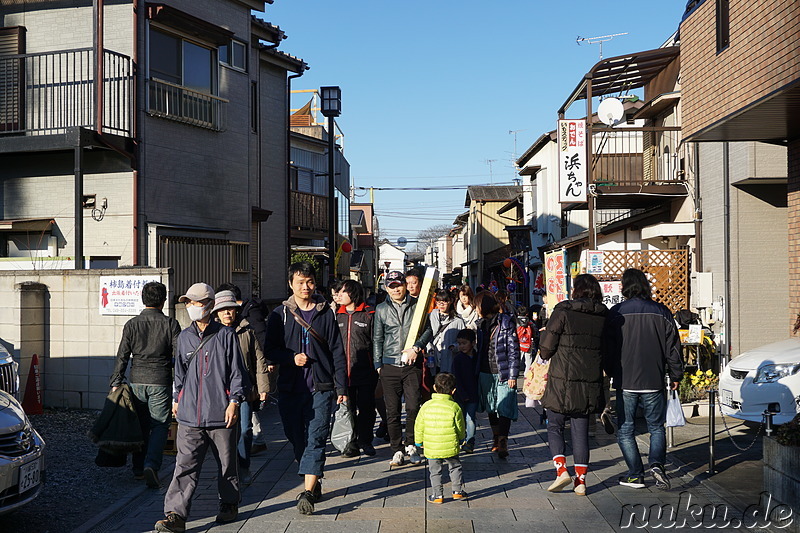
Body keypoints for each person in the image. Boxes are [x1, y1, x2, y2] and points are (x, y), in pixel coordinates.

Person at [155, 283, 248, 533]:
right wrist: (177, 399)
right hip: (189, 416)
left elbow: (238, 373)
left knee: (227, 464)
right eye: (188, 302)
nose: (191, 307)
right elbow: (180, 374)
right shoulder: (184, 336)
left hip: (221, 413)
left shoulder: (226, 335)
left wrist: (234, 402)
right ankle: (175, 514)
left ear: (209, 304)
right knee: (184, 466)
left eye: (196, 302)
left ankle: (229, 503)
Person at [265, 262, 348, 515]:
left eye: (309, 282)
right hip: (291, 387)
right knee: (296, 437)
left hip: (320, 387)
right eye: (300, 282)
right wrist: (291, 358)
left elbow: (337, 350)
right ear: (291, 284)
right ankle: (314, 479)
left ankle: (308, 492)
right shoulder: (280, 314)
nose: (305, 287)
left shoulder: (325, 312)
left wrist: (341, 385)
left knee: (316, 438)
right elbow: (270, 350)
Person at [604, 268, 684, 490]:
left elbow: (608, 349)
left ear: (624, 286)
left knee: (626, 429)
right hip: (654, 380)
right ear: (645, 285)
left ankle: (636, 474)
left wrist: (611, 371)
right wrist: (676, 374)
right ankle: (657, 465)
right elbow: (673, 349)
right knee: (656, 427)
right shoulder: (662, 312)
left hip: (625, 380)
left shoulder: (616, 313)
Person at [538, 274, 608, 496]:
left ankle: (561, 471)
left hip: (561, 380)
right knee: (580, 431)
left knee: (555, 426)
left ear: (576, 290)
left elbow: (546, 349)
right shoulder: (604, 316)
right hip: (588, 383)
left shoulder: (563, 311)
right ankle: (582, 481)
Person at [110, 281, 180, 489]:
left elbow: (122, 355)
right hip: (160, 380)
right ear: (163, 301)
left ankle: (139, 469)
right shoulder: (170, 324)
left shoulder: (132, 324)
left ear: (143, 299)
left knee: (140, 425)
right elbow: (179, 355)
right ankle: (152, 464)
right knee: (159, 425)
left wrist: (116, 381)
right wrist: (181, 382)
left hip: (137, 379)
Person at [373, 270, 431, 466]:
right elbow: (377, 337)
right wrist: (378, 364)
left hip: (411, 364)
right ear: (386, 289)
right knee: (392, 410)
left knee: (414, 406)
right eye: (392, 286)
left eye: (399, 284)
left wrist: (417, 347)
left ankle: (411, 445)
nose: (396, 288)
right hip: (389, 365)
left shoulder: (418, 306)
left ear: (405, 285)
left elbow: (428, 330)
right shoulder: (381, 309)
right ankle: (396, 449)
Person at [213, 290, 270, 485]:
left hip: (244, 389)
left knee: (245, 429)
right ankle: (228, 469)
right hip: (219, 392)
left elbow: (259, 360)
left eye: (230, 309)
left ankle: (243, 466)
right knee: (224, 432)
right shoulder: (212, 333)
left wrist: (263, 387)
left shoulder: (247, 330)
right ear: (216, 313)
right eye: (223, 310)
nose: (227, 313)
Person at [335, 279, 378, 457]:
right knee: (347, 408)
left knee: (367, 407)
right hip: (343, 373)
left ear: (352, 293)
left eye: (343, 292)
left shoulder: (368, 314)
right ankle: (350, 443)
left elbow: (376, 342)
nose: (339, 295)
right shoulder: (337, 315)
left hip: (365, 371)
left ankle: (366, 441)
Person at [474, 291, 520, 458]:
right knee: (491, 407)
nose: (475, 309)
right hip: (485, 371)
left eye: (477, 305)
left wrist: (513, 375)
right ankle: (495, 437)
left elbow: (514, 350)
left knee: (504, 407)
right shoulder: (480, 324)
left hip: (503, 371)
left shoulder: (505, 322)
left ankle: (503, 440)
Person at [414, 372, 467, 504]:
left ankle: (437, 495)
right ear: (453, 391)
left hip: (432, 447)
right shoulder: (455, 407)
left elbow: (419, 426)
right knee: (455, 467)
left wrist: (418, 442)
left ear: (434, 387)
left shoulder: (426, 406)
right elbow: (460, 427)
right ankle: (457, 492)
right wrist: (461, 439)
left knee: (435, 471)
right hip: (450, 446)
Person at [420, 289, 466, 374]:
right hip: (432, 359)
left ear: (451, 301)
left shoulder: (458, 321)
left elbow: (464, 340)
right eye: (438, 301)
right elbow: (424, 335)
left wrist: (454, 346)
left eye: (445, 301)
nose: (441, 304)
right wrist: (427, 347)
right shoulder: (429, 317)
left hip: (449, 359)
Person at [452, 329, 480, 453]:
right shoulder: (458, 359)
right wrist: (462, 393)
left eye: (464, 343)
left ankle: (470, 441)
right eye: (459, 343)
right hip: (460, 394)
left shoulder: (477, 357)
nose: (461, 346)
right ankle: (459, 440)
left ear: (473, 343)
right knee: (460, 418)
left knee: (470, 418)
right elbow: (455, 378)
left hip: (473, 393)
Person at [516, 305, 535, 373]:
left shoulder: (516, 322)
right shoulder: (530, 322)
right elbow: (534, 331)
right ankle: (527, 374)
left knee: (518, 358)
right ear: (527, 314)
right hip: (528, 342)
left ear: (518, 313)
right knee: (528, 359)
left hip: (519, 342)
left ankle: (516, 372)